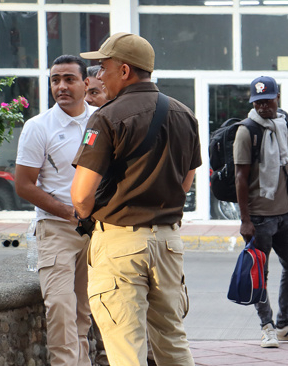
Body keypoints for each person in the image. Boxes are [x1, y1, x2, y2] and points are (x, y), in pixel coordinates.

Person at [71, 32, 200, 366]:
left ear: (125, 71)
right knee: (172, 340)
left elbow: (82, 195)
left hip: (120, 242)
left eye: (103, 67)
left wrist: (89, 213)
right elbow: (189, 176)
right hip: (168, 242)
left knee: (126, 348)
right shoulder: (184, 113)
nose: (98, 75)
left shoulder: (107, 117)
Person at [14, 55, 96, 366]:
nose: (61, 86)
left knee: (82, 314)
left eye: (69, 79)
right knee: (60, 310)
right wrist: (68, 212)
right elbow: (24, 185)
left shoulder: (102, 119)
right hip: (56, 229)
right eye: (55, 79)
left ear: (86, 83)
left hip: (96, 231)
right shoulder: (38, 127)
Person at [234, 75, 288, 348]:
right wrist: (245, 219)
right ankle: (266, 325)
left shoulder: (286, 124)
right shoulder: (247, 131)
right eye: (257, 103)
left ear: (276, 97)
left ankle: (285, 324)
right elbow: (240, 178)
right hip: (258, 216)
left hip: (284, 213)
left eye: (267, 101)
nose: (262, 107)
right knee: (260, 273)